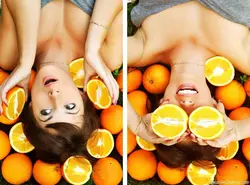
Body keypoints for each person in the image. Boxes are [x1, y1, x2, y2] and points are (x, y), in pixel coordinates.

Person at [128, 0, 250, 168]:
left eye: (176, 115)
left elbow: (99, 65)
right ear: (215, 108)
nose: (186, 104)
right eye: (198, 116)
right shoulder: (242, 54)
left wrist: (137, 125)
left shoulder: (143, 49)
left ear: (162, 106)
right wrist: (238, 130)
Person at [0, 0, 122, 163]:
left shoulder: (10, 55)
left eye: (45, 113)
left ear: (30, 108)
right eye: (69, 107)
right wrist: (92, 48)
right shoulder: (107, 56)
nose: (54, 96)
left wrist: (26, 59)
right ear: (83, 96)